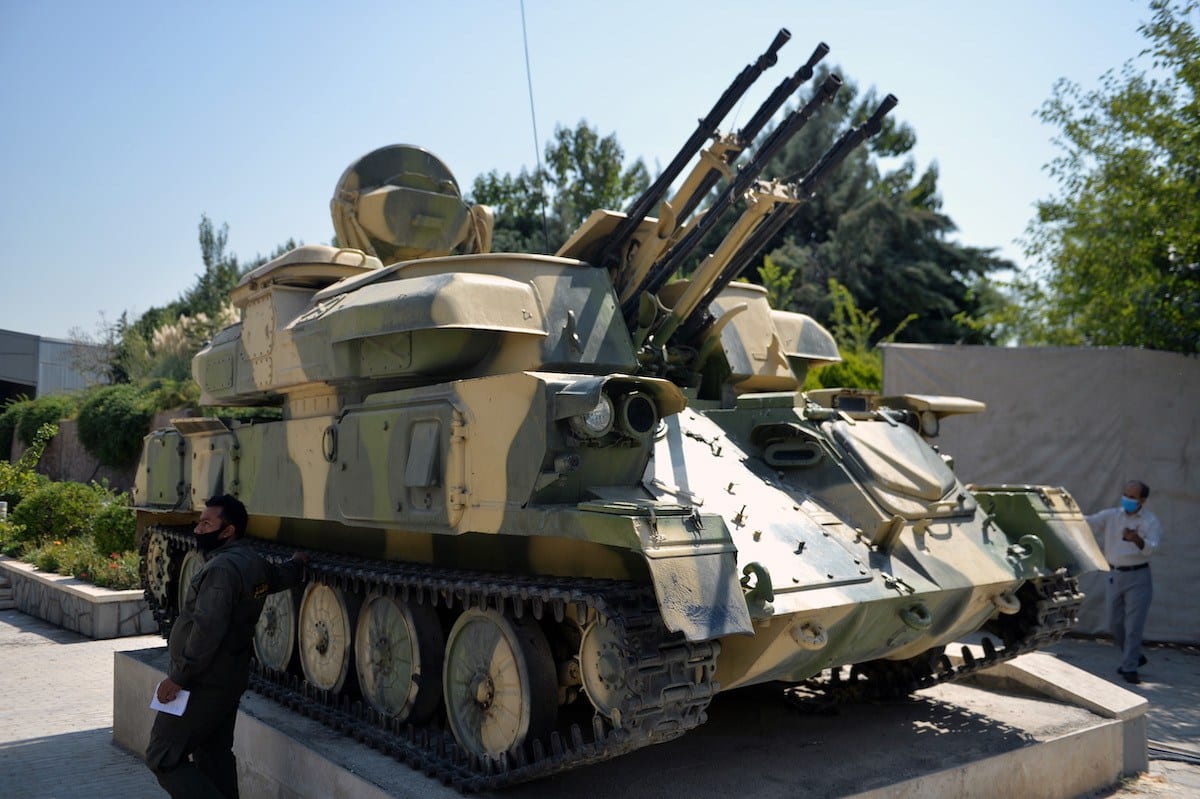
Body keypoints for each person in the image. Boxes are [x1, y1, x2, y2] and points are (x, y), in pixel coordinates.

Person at [145, 494, 308, 798]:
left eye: (207, 523)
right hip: (230, 676)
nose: (198, 529)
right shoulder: (252, 562)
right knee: (214, 754)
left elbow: (207, 630)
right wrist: (297, 564)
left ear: (228, 531)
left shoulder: (221, 570)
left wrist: (178, 678)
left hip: (201, 680)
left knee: (162, 756)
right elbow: (279, 576)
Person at [1085, 480, 1163, 685]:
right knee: (1114, 622)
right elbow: (1089, 521)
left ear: (1142, 500)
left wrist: (1137, 539)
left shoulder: (1150, 521)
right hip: (1115, 575)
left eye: (1133, 496)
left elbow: (1152, 548)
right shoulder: (1112, 516)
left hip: (1138, 576)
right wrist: (1065, 516)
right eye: (1126, 494)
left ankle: (1129, 667)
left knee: (1134, 625)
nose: (1127, 499)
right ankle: (1135, 657)